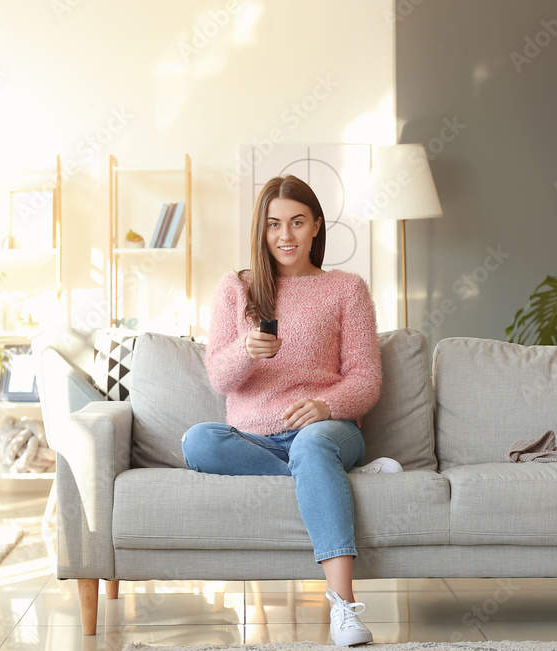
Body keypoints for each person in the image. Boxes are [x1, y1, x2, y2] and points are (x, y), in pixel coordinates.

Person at [181, 175, 384, 646]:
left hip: (328, 430)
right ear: (261, 229)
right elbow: (218, 378)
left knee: (313, 445)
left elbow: (366, 380)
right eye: (274, 224)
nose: (285, 235)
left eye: (297, 222)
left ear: (316, 225)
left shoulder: (347, 289)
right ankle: (328, 479)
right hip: (255, 437)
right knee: (199, 441)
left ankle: (344, 609)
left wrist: (325, 405)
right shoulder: (237, 288)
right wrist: (245, 351)